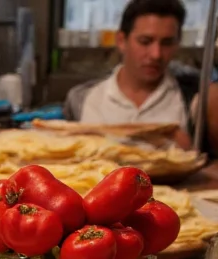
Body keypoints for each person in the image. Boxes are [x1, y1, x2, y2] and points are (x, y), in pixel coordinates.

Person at [64, 0, 191, 149]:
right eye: (145, 42)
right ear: (121, 41)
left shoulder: (192, 99)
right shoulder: (83, 99)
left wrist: (192, 156)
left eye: (167, 43)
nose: (156, 54)